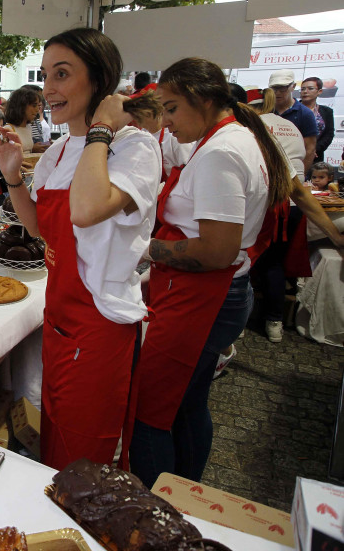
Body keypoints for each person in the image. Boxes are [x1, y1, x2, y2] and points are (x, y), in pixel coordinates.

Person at [0, 28, 162, 471]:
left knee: (84, 458)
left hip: (100, 324)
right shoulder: (58, 151)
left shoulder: (134, 147)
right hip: (60, 316)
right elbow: (42, 228)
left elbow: (87, 209)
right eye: (46, 74)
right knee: (56, 441)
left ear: (99, 80)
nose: (48, 88)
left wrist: (104, 127)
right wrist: (13, 177)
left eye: (63, 74)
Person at [129, 58, 295, 489]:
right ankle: (187, 495)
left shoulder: (221, 151)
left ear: (202, 101)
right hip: (222, 293)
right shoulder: (233, 138)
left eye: (171, 109)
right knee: (188, 403)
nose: (166, 121)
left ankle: (157, 512)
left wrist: (144, 249)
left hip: (206, 296)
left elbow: (217, 251)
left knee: (150, 412)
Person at [241, 86, 344, 343]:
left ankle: (238, 323)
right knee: (274, 266)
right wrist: (335, 236)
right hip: (290, 207)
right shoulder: (290, 126)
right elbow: (304, 169)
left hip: (266, 207)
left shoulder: (252, 130)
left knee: (244, 265)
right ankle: (273, 320)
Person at [269, 69, 318, 172]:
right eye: (274, 89)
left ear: (293, 86)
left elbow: (310, 149)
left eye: (282, 89)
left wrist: (300, 174)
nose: (277, 93)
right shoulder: (265, 111)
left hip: (293, 169)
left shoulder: (304, 114)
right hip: (268, 168)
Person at [3, 86, 50, 154]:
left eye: (38, 106)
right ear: (21, 106)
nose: (37, 110)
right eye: (34, 105)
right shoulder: (8, 129)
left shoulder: (28, 128)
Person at [299, 77, 334, 164]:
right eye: (303, 89)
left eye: (310, 88)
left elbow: (329, 134)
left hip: (316, 157)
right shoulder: (293, 109)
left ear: (319, 91)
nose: (305, 91)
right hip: (294, 155)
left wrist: (314, 150)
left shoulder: (326, 111)